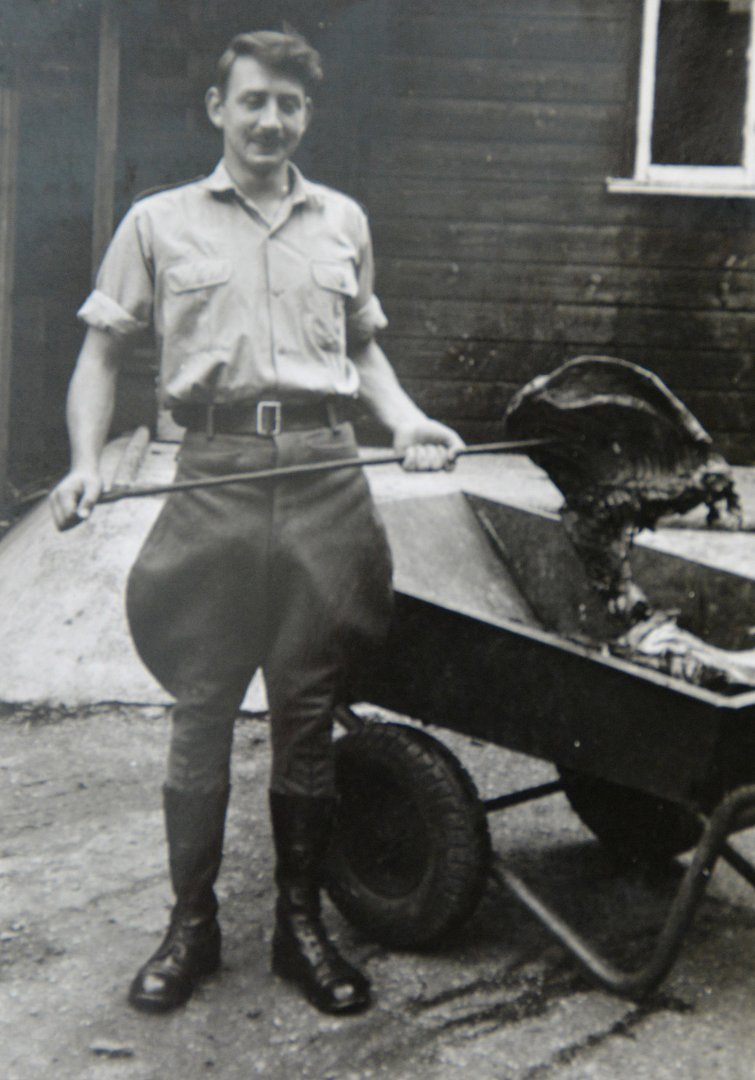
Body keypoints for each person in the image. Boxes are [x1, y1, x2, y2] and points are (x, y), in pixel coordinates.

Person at [49, 29, 463, 1017]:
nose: (270, 120)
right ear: (216, 109)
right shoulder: (158, 222)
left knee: (306, 714)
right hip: (216, 477)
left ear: (305, 116)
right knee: (200, 706)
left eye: (288, 104)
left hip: (324, 474)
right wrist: (82, 465)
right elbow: (102, 356)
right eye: (252, 102)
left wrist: (405, 423)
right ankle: (189, 928)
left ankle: (299, 925)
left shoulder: (343, 223)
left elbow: (363, 352)